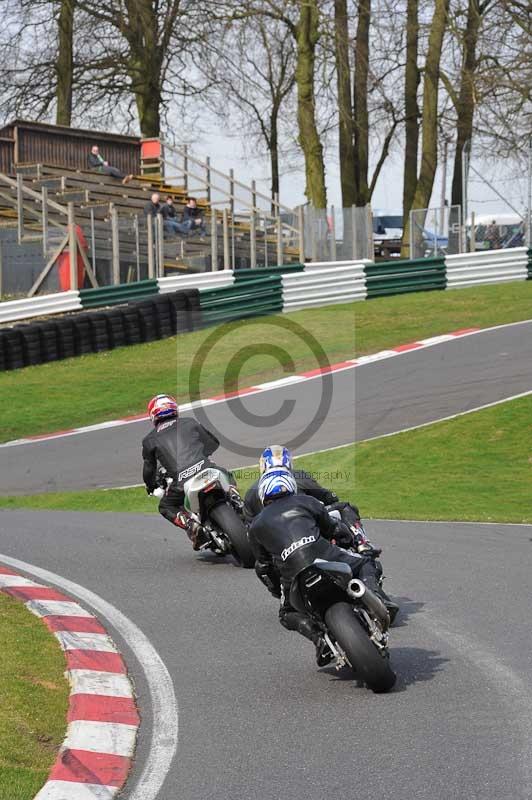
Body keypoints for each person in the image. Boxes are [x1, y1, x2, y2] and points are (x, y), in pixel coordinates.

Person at [248, 467, 386, 666]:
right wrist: (348, 539)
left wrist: (277, 590)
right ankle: (376, 595)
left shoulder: (255, 526)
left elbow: (263, 566)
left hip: (294, 576)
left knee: (286, 614)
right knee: (365, 562)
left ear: (263, 494)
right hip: (326, 557)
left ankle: (318, 639)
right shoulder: (307, 501)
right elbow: (333, 529)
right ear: (291, 485)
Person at [142, 394, 235, 549]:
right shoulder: (189, 422)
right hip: (206, 469)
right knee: (225, 473)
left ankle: (191, 526)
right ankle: (235, 497)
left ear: (153, 415)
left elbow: (149, 468)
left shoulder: (149, 440)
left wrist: (150, 485)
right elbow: (213, 443)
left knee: (165, 506)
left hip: (182, 482)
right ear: (174, 408)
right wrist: (201, 454)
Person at [244, 445, 371, 553]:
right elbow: (328, 498)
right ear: (288, 461)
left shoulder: (250, 493)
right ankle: (362, 543)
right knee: (344, 507)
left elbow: (250, 527)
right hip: (306, 526)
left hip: (275, 543)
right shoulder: (298, 476)